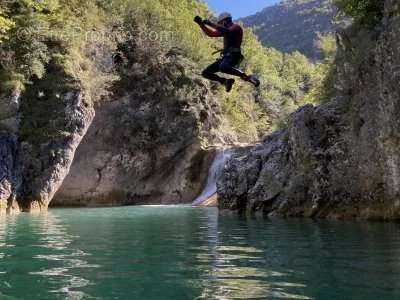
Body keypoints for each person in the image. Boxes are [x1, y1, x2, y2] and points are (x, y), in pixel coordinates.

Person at [194, 12, 260, 92]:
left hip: (234, 55)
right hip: (226, 57)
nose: (220, 25)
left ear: (225, 21)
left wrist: (210, 23)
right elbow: (211, 34)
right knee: (206, 73)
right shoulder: (226, 30)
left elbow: (227, 32)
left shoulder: (236, 27)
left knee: (223, 67)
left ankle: (247, 77)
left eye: (220, 23)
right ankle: (225, 81)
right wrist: (201, 24)